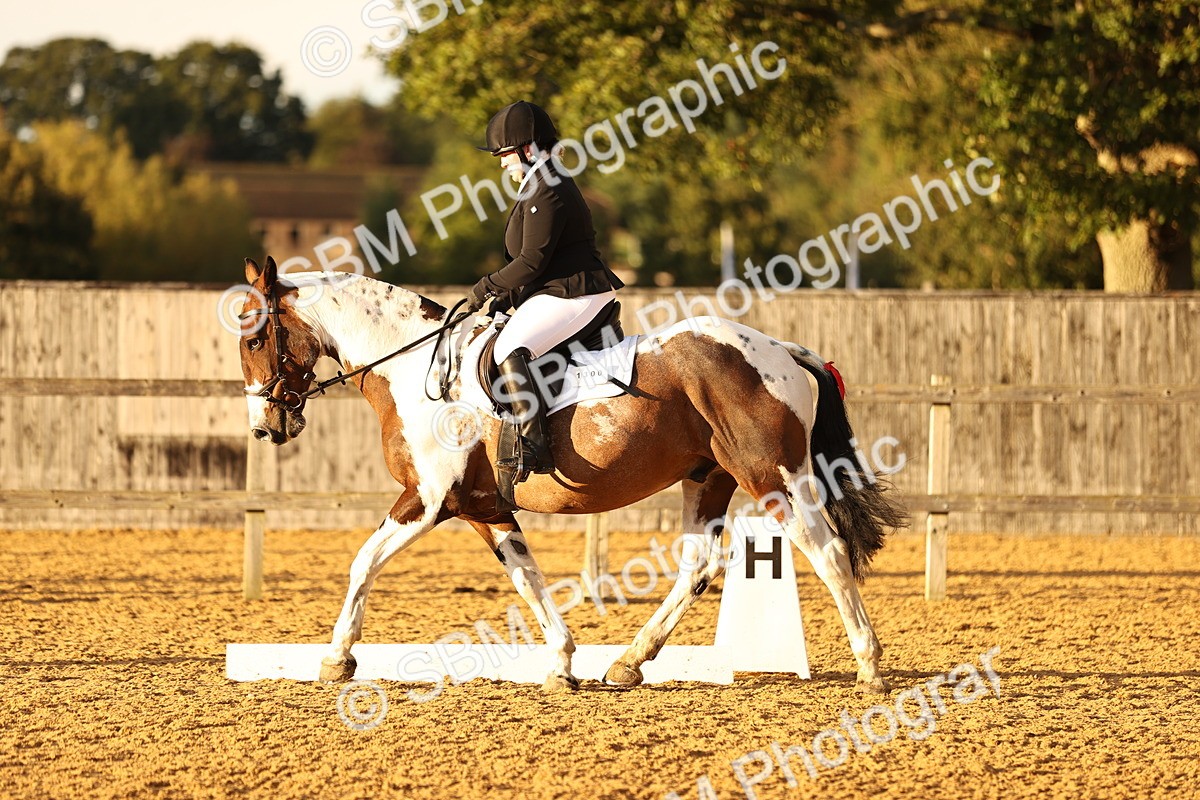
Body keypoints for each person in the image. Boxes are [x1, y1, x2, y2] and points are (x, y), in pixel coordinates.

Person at [466, 100, 625, 477]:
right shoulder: (539, 183)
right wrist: (504, 298)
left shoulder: (547, 188)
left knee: (508, 347)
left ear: (527, 148)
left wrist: (485, 287)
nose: (501, 162)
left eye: (504, 153)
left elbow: (531, 262)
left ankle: (533, 447)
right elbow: (533, 261)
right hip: (559, 291)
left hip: (577, 293)